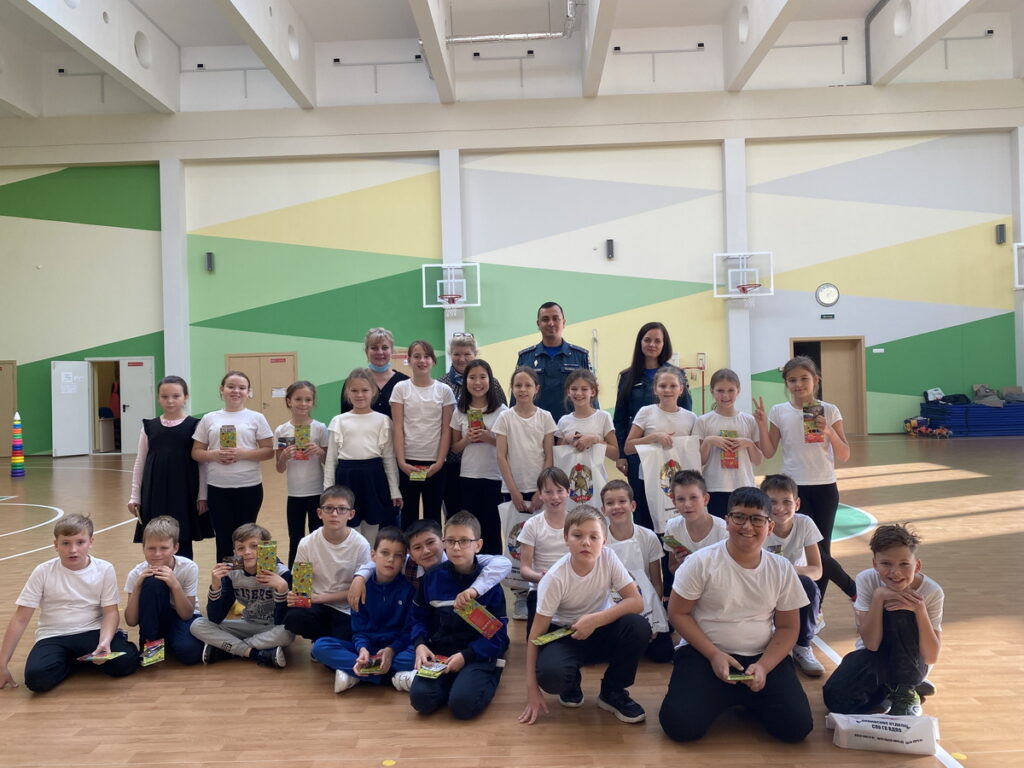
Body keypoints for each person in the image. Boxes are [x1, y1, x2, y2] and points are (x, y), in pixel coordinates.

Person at [659, 487, 813, 743]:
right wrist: (714, 654)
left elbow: (788, 628)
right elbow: (678, 612)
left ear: (770, 526)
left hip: (761, 656)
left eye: (757, 519)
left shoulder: (781, 568)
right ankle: (730, 695)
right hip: (705, 654)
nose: (747, 526)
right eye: (739, 517)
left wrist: (764, 666)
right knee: (679, 726)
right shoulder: (700, 562)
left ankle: (745, 696)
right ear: (727, 521)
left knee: (797, 727)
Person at [519, 505, 650, 726]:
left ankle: (612, 692)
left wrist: (596, 619)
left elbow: (636, 602)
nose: (586, 542)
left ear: (604, 541)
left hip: (599, 628)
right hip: (564, 634)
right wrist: (532, 690)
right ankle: (570, 682)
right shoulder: (554, 578)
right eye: (578, 536)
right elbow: (535, 637)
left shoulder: (609, 557)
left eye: (594, 537)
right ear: (566, 539)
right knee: (551, 675)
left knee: (638, 627)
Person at [754, 355, 856, 601]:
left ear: (815, 380)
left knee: (822, 549)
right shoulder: (779, 411)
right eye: (792, 380)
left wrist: (828, 430)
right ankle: (852, 590)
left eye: (804, 379)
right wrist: (761, 424)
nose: (798, 384)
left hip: (825, 486)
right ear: (786, 383)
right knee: (812, 550)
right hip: (793, 490)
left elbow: (844, 454)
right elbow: (768, 451)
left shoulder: (830, 410)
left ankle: (817, 605)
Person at [0, 514, 138, 692]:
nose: (73, 549)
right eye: (66, 543)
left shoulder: (104, 569)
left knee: (126, 662)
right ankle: (76, 661)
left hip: (93, 631)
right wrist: (2, 664)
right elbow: (20, 619)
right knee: (36, 679)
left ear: (91, 542)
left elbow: (110, 612)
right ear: (55, 545)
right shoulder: (42, 571)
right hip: (53, 635)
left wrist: (104, 642)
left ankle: (81, 657)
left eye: (80, 542)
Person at [823, 524, 943, 717]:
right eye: (886, 563)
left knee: (902, 609)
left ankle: (906, 689)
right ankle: (888, 690)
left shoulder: (932, 591)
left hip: (913, 662)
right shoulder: (866, 580)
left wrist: (920, 610)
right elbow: (871, 644)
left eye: (904, 564)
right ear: (875, 564)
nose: (895, 572)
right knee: (836, 700)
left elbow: (930, 657)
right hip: (875, 656)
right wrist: (878, 597)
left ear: (917, 565)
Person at [404, 511, 509, 720]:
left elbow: (498, 636)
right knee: (420, 701)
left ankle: (485, 675)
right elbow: (418, 618)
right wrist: (420, 644)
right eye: (451, 541)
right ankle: (455, 682)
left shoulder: (489, 585)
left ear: (478, 545)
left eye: (464, 541)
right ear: (444, 543)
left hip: (476, 654)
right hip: (441, 653)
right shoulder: (432, 578)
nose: (456, 547)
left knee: (462, 706)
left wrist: (466, 656)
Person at [310, 526, 416, 693]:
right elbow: (359, 630)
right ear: (373, 555)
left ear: (403, 561)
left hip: (396, 650)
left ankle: (357, 674)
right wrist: (362, 649)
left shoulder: (408, 590)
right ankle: (386, 677)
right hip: (368, 648)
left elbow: (408, 631)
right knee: (320, 646)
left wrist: (391, 649)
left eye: (398, 556)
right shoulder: (360, 588)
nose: (390, 559)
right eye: (385, 553)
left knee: (415, 656)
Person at [192, 371, 275, 561]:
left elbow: (268, 451)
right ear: (222, 390)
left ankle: (248, 576)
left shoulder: (256, 417)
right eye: (231, 386)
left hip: (249, 487)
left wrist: (242, 453)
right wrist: (213, 455)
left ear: (248, 392)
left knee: (247, 538)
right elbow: (196, 452)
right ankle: (226, 578)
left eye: (241, 388)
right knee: (223, 539)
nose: (236, 391)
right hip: (218, 489)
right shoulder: (209, 418)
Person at [614, 323, 690, 529]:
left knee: (673, 505)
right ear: (640, 343)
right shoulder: (627, 377)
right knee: (643, 507)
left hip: (671, 455)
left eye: (657, 340)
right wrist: (621, 454)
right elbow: (620, 418)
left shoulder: (677, 373)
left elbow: (686, 414)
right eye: (647, 340)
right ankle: (648, 548)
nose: (652, 344)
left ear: (664, 344)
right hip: (639, 454)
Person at [127, 375, 210, 561]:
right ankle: (156, 575)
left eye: (176, 396)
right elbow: (140, 462)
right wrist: (135, 496)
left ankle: (183, 578)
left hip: (185, 492)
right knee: (154, 536)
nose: (170, 401)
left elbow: (203, 464)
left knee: (182, 536)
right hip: (154, 492)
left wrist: (202, 495)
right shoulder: (149, 427)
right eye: (165, 396)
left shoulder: (195, 426)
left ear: (186, 397)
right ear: (158, 398)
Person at [190, 523, 294, 668]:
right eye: (241, 548)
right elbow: (215, 618)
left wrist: (282, 589)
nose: (247, 552)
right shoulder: (232, 573)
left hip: (271, 628)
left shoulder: (281, 572)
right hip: (246, 624)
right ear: (235, 552)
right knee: (197, 625)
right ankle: (255, 653)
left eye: (254, 546)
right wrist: (215, 586)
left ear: (266, 547)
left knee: (287, 632)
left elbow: (282, 620)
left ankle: (226, 651)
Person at [348, 518, 512, 605]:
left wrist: (474, 590)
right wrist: (360, 577)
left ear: (443, 541)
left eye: (431, 543)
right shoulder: (409, 565)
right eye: (417, 547)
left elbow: (503, 563)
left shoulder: (458, 558)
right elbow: (384, 559)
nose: (426, 551)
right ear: (410, 553)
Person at [283, 486, 371, 642]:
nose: (334, 514)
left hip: (346, 608)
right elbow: (301, 586)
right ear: (319, 513)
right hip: (316, 606)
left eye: (342, 509)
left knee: (352, 634)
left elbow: (360, 591)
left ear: (351, 514)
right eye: (329, 508)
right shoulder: (306, 543)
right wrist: (296, 596)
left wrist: (320, 598)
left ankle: (325, 643)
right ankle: (320, 639)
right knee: (294, 617)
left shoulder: (361, 545)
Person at [324, 368, 403, 542]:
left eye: (364, 390)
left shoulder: (383, 420)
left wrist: (394, 490)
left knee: (372, 527)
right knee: (350, 529)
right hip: (347, 478)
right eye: (354, 390)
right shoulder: (339, 421)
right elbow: (331, 460)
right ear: (347, 393)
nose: (360, 395)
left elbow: (389, 459)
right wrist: (328, 491)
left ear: (373, 391)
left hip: (373, 478)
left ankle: (369, 558)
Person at [601, 480, 673, 663]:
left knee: (663, 653)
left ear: (632, 505)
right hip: (612, 603)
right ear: (603, 509)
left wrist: (654, 616)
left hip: (644, 602)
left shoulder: (648, 536)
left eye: (622, 501)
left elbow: (656, 582)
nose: (616, 507)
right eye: (610, 503)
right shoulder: (599, 539)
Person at [760, 474, 825, 677]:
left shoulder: (804, 523)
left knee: (808, 585)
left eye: (786, 502)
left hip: (794, 584)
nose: (779, 508)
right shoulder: (758, 525)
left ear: (797, 504)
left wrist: (788, 570)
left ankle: (802, 645)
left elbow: (817, 570)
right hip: (764, 583)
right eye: (772, 502)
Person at [439, 332, 508, 521]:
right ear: (450, 355)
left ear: (474, 354)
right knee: (461, 517)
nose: (462, 358)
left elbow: (506, 433)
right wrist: (466, 439)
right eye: (457, 354)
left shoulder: (494, 390)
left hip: (492, 470)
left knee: (491, 521)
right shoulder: (443, 385)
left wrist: (488, 436)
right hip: (459, 466)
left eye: (467, 354)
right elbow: (451, 438)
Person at [390, 339, 457, 529]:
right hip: (408, 464)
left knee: (433, 515)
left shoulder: (444, 391)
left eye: (427, 356)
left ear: (433, 360)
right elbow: (398, 428)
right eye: (417, 356)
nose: (422, 360)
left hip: (435, 465)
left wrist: (439, 462)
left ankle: (434, 549)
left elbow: (446, 430)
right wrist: (402, 463)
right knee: (408, 514)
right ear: (409, 360)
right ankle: (409, 549)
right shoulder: (401, 388)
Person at [624, 365, 696, 534]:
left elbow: (695, 453)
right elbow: (628, 448)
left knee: (679, 529)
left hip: (680, 483)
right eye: (663, 386)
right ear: (655, 389)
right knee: (650, 528)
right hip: (649, 481)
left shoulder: (690, 417)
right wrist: (653, 438)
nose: (667, 390)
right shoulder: (646, 412)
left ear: (681, 389)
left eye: (673, 386)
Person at [123, 516, 203, 665]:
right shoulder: (136, 573)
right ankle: (151, 645)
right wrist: (138, 586)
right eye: (151, 548)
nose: (157, 554)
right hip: (155, 619)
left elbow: (186, 614)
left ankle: (167, 640)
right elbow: (131, 621)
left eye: (164, 548)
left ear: (175, 548)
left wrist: (175, 585)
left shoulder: (188, 567)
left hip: (181, 617)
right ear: (143, 547)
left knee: (190, 652)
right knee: (152, 582)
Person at [450, 358, 507, 554]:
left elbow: (508, 446)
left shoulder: (502, 411)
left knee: (492, 526)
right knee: (471, 528)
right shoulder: (459, 411)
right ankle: (471, 564)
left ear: (490, 380)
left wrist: (488, 437)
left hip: (495, 476)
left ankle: (494, 566)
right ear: (465, 381)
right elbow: (455, 448)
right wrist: (467, 439)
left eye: (482, 377)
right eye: (472, 377)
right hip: (468, 476)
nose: (477, 382)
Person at [274, 380, 329, 568]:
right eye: (298, 399)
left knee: (317, 536)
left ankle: (319, 574)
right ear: (289, 401)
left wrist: (319, 452)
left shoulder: (320, 428)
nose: (303, 404)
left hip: (317, 492)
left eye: (308, 400)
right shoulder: (282, 430)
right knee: (296, 538)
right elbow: (279, 468)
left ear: (313, 402)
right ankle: (294, 579)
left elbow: (328, 461)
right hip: (294, 494)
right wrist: (284, 457)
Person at [695, 368, 763, 518]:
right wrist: (709, 441)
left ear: (738, 390)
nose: (725, 396)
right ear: (712, 391)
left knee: (743, 527)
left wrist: (749, 444)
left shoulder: (749, 420)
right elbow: (699, 461)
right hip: (715, 486)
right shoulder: (703, 421)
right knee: (720, 528)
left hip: (744, 485)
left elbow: (758, 460)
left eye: (731, 390)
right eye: (720, 391)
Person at [514, 302, 593, 423]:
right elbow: (516, 397)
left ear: (564, 322)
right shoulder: (526, 358)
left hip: (572, 426)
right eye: (545, 319)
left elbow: (592, 396)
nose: (551, 323)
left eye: (556, 319)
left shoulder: (580, 356)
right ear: (538, 324)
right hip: (535, 426)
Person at [493, 366, 556, 514]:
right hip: (512, 488)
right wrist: (513, 491)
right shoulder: (504, 418)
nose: (523, 389)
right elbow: (501, 456)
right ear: (512, 388)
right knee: (514, 528)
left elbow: (549, 456)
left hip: (539, 488)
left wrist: (541, 490)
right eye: (518, 385)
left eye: (528, 385)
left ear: (536, 388)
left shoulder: (545, 417)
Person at [517, 468, 572, 633]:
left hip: (572, 588)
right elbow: (524, 569)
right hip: (541, 589)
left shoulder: (577, 522)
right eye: (548, 492)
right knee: (536, 639)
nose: (555, 497)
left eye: (560, 491)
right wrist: (541, 577)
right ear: (540, 494)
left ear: (568, 492)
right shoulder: (532, 525)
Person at [662, 470, 728, 576]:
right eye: (681, 499)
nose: (687, 504)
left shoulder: (723, 530)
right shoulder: (672, 527)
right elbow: (672, 568)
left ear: (705, 499)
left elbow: (728, 571)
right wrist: (682, 563)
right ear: (674, 503)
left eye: (693, 498)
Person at [340, 327, 409, 417]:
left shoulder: (405, 382)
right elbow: (346, 417)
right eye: (374, 348)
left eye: (385, 348)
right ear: (366, 351)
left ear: (392, 350)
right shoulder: (353, 382)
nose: (380, 352)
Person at [554, 369, 618, 461]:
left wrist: (595, 440)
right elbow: (558, 459)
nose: (578, 393)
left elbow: (615, 454)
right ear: (568, 392)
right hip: (570, 470)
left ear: (592, 392)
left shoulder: (603, 417)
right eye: (574, 389)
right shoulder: (563, 421)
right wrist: (566, 439)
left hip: (595, 470)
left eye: (584, 389)